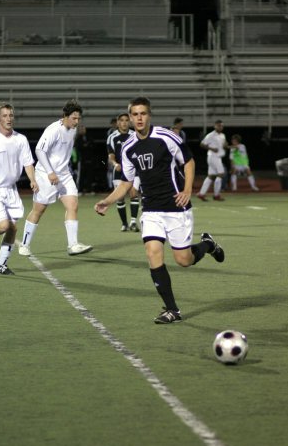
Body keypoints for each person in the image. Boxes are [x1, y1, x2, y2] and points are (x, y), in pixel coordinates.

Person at [94, 96, 225, 324]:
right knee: (153, 253)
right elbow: (126, 182)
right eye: (135, 114)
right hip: (152, 209)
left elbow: (189, 161)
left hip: (176, 207)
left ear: (149, 115)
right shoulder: (127, 147)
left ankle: (208, 245)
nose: (139, 118)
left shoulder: (165, 136)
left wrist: (187, 190)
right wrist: (108, 201)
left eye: (143, 113)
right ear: (130, 117)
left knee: (183, 260)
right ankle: (172, 310)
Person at [18, 99, 93, 256]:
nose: (77, 121)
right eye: (74, 118)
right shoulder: (53, 130)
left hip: (64, 175)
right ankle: (24, 245)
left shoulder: (73, 129)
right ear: (65, 115)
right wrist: (50, 172)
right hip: (46, 174)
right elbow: (39, 150)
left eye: (78, 118)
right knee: (39, 210)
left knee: (72, 205)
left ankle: (73, 245)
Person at [0, 102, 38, 275]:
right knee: (3, 225)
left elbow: (28, 163)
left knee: (13, 228)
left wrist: (32, 179)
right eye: (4, 116)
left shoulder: (21, 139)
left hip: (11, 190)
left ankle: (0, 264)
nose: (9, 119)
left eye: (11, 115)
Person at [106, 112, 140, 232]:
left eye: (126, 120)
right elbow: (111, 156)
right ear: (118, 123)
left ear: (129, 122)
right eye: (122, 120)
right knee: (119, 197)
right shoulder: (112, 137)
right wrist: (116, 164)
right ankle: (124, 223)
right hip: (119, 171)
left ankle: (133, 222)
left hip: (133, 170)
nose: (124, 122)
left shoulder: (135, 135)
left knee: (133, 193)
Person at [197, 119, 228, 201]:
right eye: (219, 125)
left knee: (211, 176)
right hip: (213, 157)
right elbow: (202, 144)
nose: (220, 127)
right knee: (221, 174)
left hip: (217, 157)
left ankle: (201, 194)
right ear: (215, 126)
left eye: (221, 125)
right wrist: (211, 148)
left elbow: (224, 145)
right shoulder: (211, 135)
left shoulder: (222, 135)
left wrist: (225, 144)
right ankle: (216, 195)